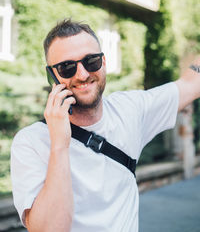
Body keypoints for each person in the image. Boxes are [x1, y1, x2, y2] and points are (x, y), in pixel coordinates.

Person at [11, 19, 200, 232]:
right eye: (67, 67)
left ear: (104, 62)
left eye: (91, 61)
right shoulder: (30, 142)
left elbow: (191, 83)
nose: (82, 74)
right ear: (52, 76)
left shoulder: (130, 110)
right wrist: (59, 145)